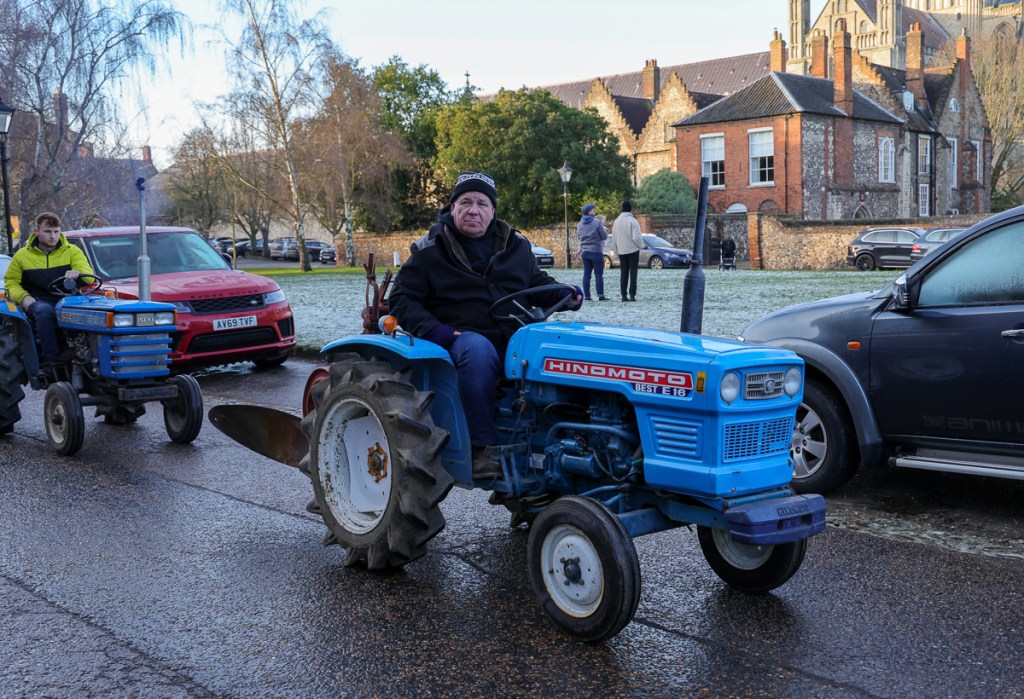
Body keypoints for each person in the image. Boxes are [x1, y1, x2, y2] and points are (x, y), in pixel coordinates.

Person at [388, 172, 583, 479]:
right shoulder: (430, 250)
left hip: (513, 333)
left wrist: (563, 293)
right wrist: (438, 331)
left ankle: (565, 443)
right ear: (452, 207)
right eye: (465, 202)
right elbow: (401, 299)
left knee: (569, 345)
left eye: (481, 203)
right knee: (478, 349)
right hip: (460, 337)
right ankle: (480, 449)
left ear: (493, 211)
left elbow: (536, 283)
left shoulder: (515, 245)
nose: (473, 210)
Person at [3, 212, 94, 373]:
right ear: (36, 232)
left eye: (56, 231)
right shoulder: (22, 256)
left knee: (94, 312)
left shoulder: (72, 251)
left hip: (69, 299)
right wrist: (24, 298)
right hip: (39, 300)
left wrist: (78, 273)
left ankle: (87, 355)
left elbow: (88, 276)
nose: (53, 236)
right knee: (44, 311)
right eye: (48, 231)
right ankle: (51, 363)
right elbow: (11, 282)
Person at [612, 200, 644, 302]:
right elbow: (636, 237)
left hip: (621, 250)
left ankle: (623, 295)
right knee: (633, 273)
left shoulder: (616, 222)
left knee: (623, 273)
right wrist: (641, 245)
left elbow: (614, 238)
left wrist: (616, 252)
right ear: (631, 209)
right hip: (633, 250)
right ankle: (632, 295)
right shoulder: (633, 221)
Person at [576, 203, 608, 301]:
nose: (594, 211)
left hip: (585, 252)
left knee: (586, 274)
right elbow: (604, 236)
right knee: (598, 274)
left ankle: (587, 296)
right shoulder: (596, 223)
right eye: (593, 210)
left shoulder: (579, 224)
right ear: (589, 212)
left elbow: (579, 238)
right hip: (596, 251)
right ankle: (600, 295)